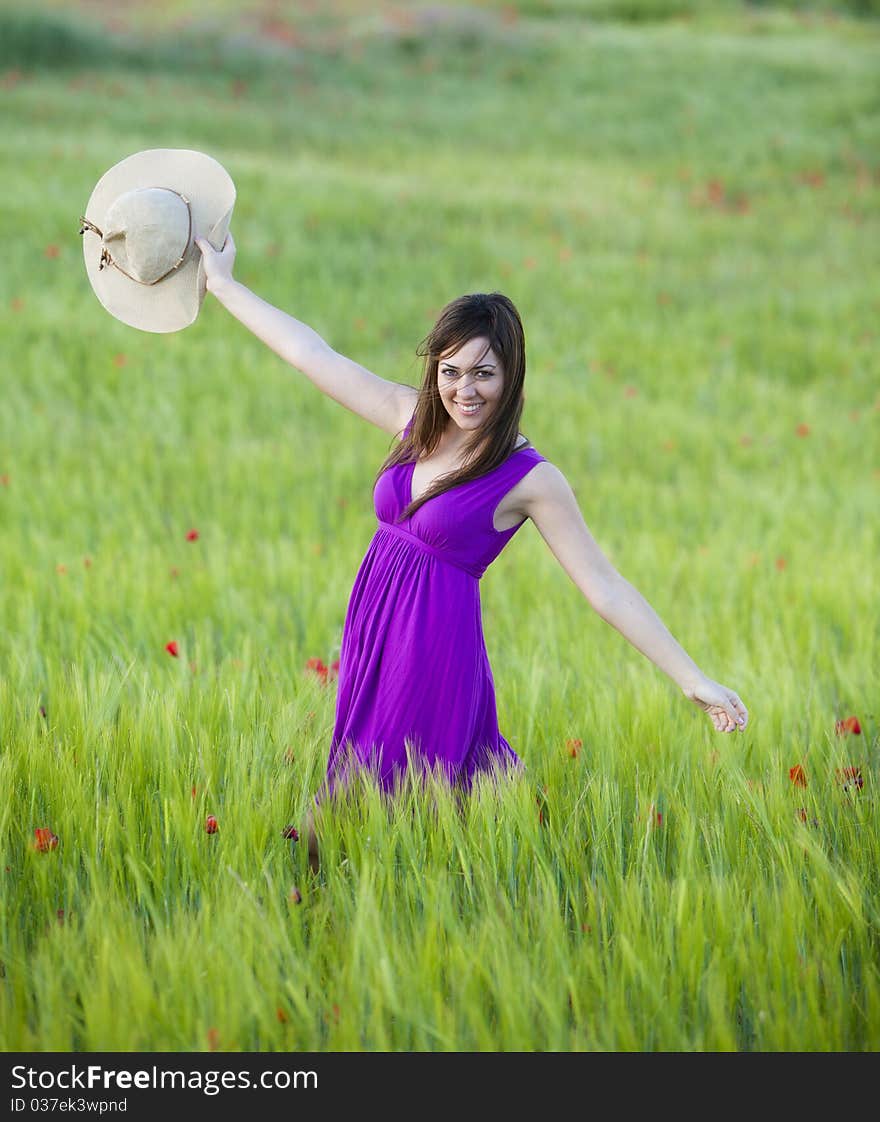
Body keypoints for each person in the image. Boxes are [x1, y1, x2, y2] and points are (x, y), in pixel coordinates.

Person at [195, 234, 749, 871]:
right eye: (451, 371)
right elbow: (308, 352)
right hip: (374, 637)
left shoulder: (530, 478)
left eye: (483, 373)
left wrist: (693, 680)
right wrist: (224, 286)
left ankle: (328, 907)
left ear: (511, 376)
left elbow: (605, 586)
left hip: (430, 652)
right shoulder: (410, 420)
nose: (465, 390)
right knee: (435, 810)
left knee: (346, 805)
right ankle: (508, 881)